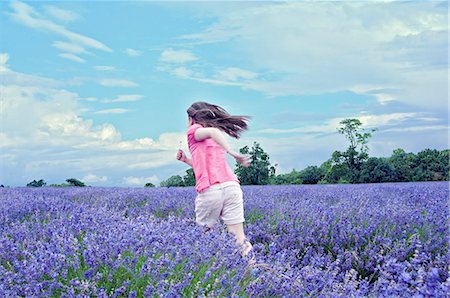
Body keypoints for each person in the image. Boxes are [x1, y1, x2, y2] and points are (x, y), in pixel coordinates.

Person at [176, 101, 253, 257]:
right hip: (232, 187)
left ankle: (208, 274)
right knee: (239, 238)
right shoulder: (214, 138)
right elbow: (206, 165)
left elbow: (213, 132)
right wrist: (186, 160)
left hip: (211, 190)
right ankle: (252, 274)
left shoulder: (194, 131)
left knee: (204, 237)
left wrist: (233, 153)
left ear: (191, 118)